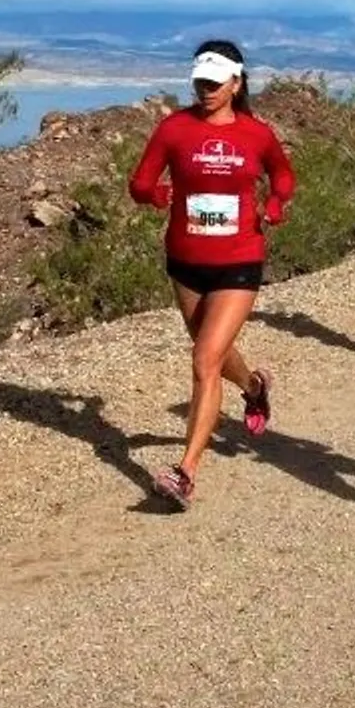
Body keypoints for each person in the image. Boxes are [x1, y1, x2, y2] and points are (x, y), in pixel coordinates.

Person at [128, 39, 297, 510]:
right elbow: (139, 181)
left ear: (236, 83)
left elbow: (284, 175)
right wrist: (153, 194)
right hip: (185, 261)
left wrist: (276, 203)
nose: (205, 89)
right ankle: (253, 388)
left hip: (240, 258)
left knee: (204, 359)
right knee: (216, 353)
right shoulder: (174, 128)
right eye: (199, 81)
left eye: (215, 82)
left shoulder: (256, 134)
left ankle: (185, 474)